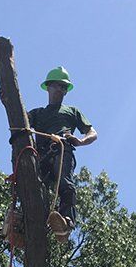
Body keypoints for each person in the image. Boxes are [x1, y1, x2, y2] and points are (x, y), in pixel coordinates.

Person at [28, 66, 97, 241]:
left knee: (64, 184)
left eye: (64, 87)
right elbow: (18, 122)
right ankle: (21, 223)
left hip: (61, 148)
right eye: (58, 85)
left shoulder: (72, 111)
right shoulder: (37, 113)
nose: (61, 90)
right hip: (40, 155)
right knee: (29, 186)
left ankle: (66, 222)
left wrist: (80, 141)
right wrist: (6, 100)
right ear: (48, 87)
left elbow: (92, 133)